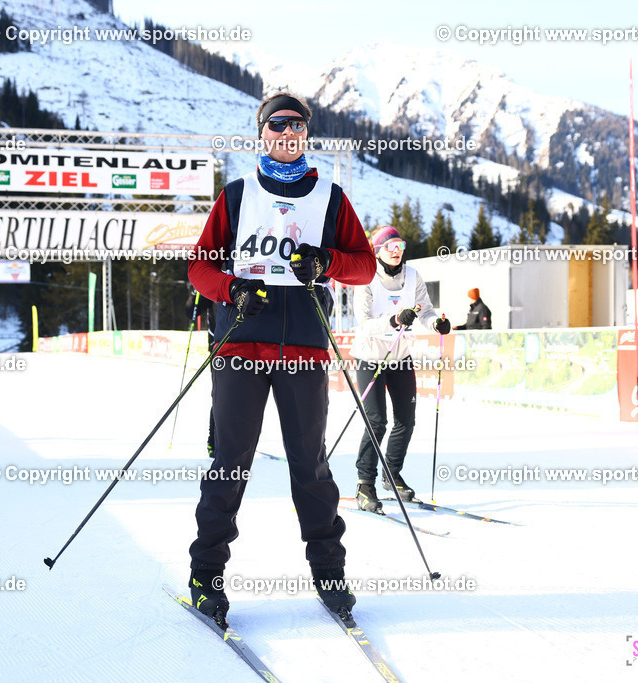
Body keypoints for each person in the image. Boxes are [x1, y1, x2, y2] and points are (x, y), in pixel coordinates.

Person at [186, 91, 376, 624]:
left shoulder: (330, 197)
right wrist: (231, 290)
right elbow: (199, 267)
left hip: (304, 348)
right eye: (278, 126)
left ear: (306, 136)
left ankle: (331, 577)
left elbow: (363, 267)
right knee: (229, 467)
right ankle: (206, 578)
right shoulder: (237, 194)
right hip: (242, 344)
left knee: (311, 469)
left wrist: (326, 260)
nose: (287, 135)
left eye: (297, 128)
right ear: (263, 134)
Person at [350, 226, 450, 512]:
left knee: (407, 419)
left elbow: (426, 310)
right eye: (389, 246)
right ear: (377, 251)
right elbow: (364, 322)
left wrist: (436, 323)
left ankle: (391, 474)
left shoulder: (413, 276)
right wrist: (394, 320)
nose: (396, 250)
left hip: (400, 355)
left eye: (399, 244)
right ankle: (365, 483)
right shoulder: (366, 278)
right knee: (377, 421)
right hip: (370, 357)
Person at [184, 288, 216, 457]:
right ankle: (214, 442)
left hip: (250, 345)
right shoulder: (215, 278)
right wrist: (194, 294)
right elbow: (191, 313)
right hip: (220, 349)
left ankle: (240, 440)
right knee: (221, 396)